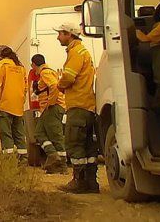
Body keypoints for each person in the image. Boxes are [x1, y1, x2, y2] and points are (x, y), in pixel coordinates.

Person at [55, 23, 99, 194]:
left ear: (69, 35)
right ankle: (91, 183)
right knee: (89, 146)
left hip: (77, 105)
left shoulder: (75, 53)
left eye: (60, 34)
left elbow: (68, 77)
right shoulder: (83, 51)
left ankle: (78, 182)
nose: (58, 37)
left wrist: (60, 85)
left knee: (74, 143)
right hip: (88, 105)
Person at [30, 54, 67, 174]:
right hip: (48, 109)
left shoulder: (45, 73)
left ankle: (62, 165)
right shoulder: (46, 73)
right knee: (39, 133)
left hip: (53, 108)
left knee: (56, 136)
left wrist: (50, 103)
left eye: (32, 65)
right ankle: (53, 156)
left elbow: (54, 86)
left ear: (34, 64)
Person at [0, 45, 27, 161]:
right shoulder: (21, 68)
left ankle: (8, 162)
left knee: (6, 136)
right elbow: (25, 88)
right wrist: (21, 103)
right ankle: (23, 161)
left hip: (4, 107)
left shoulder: (1, 66)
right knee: (20, 136)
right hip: (18, 108)